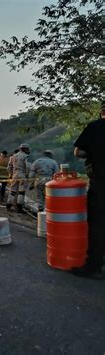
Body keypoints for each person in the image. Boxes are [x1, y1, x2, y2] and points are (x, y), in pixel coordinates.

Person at [71, 101, 105, 279]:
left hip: (101, 183)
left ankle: (94, 265)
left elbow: (79, 152)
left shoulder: (96, 126)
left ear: (102, 112)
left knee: (98, 224)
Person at [6, 143, 31, 213]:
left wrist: (10, 174)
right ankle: (19, 208)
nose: (28, 150)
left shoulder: (13, 156)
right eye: (28, 149)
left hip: (14, 175)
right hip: (22, 175)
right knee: (21, 192)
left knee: (13, 191)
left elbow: (9, 167)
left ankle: (8, 205)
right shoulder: (26, 156)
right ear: (25, 149)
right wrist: (27, 175)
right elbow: (28, 167)